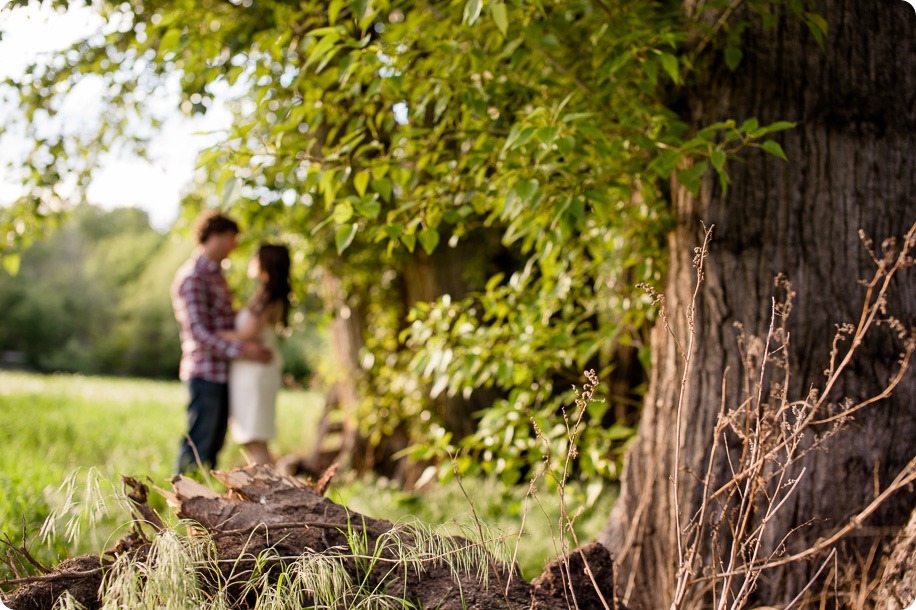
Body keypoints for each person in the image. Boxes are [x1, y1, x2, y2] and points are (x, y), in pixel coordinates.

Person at [171, 211, 271, 474]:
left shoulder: (216, 275)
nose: (234, 245)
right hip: (205, 372)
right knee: (199, 443)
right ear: (214, 236)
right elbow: (199, 334)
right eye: (230, 238)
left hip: (223, 372)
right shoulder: (192, 277)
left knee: (213, 445)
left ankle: (203, 505)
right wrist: (244, 350)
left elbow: (222, 322)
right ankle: (183, 501)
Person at [219, 244, 291, 465]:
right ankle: (264, 491)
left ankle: (266, 493)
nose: (251, 260)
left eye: (255, 257)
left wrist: (212, 334)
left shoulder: (268, 297)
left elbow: (246, 333)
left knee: (254, 438)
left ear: (265, 264)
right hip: (251, 371)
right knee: (252, 437)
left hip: (255, 373)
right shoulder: (265, 295)